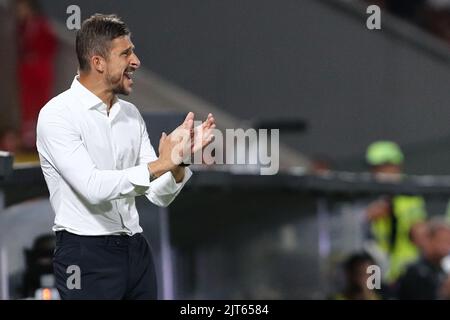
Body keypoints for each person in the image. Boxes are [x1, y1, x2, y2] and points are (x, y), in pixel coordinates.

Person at [36, 14, 216, 300]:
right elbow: (94, 188)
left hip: (136, 251)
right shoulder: (57, 115)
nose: (136, 62)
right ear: (98, 62)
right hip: (85, 257)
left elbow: (159, 195)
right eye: (126, 53)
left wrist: (179, 162)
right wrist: (162, 163)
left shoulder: (131, 115)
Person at [365, 141, 427, 283]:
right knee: (373, 293)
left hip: (404, 267)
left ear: (396, 166)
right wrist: (367, 216)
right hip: (374, 267)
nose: (379, 172)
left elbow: (419, 231)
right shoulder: (367, 193)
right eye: (375, 167)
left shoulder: (410, 195)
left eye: (384, 166)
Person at [16, 0, 56, 152]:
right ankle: (28, 138)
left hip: (40, 69)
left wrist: (37, 57)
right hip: (27, 70)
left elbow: (50, 45)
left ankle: (40, 137)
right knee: (27, 102)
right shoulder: (22, 27)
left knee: (40, 101)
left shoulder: (42, 25)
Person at [396, 219, 450, 299]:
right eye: (442, 240)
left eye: (448, 241)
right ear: (428, 239)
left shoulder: (442, 270)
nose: (446, 246)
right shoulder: (414, 271)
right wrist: (444, 292)